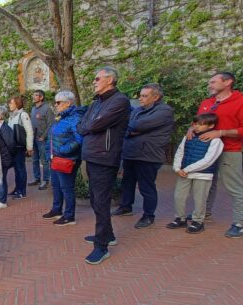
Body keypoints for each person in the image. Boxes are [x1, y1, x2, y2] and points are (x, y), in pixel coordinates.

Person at [194, 72, 243, 238]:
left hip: (229, 151)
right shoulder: (206, 103)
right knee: (206, 183)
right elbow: (198, 123)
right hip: (205, 150)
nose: (209, 85)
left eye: (213, 82)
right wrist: (191, 128)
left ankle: (239, 223)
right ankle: (204, 214)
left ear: (228, 82)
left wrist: (221, 132)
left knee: (235, 187)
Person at [77, 66, 131, 265]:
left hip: (105, 157)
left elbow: (92, 125)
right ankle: (108, 235)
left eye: (97, 78)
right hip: (92, 155)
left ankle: (101, 247)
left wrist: (88, 125)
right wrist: (87, 125)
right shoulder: (97, 102)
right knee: (95, 199)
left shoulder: (120, 101)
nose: (94, 81)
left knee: (100, 201)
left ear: (110, 80)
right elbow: (83, 124)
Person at [113, 83, 175, 229]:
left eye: (144, 96)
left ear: (156, 97)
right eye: (140, 95)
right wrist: (133, 130)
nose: (140, 98)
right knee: (127, 182)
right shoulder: (138, 110)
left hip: (148, 155)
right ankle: (126, 206)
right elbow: (127, 127)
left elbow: (137, 126)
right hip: (131, 153)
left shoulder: (164, 111)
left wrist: (135, 129)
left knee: (146, 187)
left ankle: (148, 215)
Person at [167, 113, 223, 234]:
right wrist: (177, 168)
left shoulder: (216, 141)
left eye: (201, 125)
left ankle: (198, 221)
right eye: (195, 124)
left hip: (202, 174)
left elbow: (208, 160)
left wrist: (187, 169)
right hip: (184, 173)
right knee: (179, 196)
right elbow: (180, 152)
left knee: (200, 199)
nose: (196, 126)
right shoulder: (189, 136)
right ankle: (180, 218)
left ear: (211, 126)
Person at [43, 91, 85, 226]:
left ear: (68, 103)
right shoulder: (61, 117)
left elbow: (80, 139)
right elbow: (53, 136)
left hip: (66, 159)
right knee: (56, 185)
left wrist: (62, 151)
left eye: (58, 102)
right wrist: (49, 152)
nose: (56, 105)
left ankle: (69, 216)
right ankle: (56, 210)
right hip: (55, 158)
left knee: (67, 188)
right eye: (55, 102)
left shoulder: (75, 117)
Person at [7, 96, 33, 200]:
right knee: (17, 170)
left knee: (21, 169)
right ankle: (17, 189)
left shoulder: (23, 115)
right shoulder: (11, 116)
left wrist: (29, 147)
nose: (9, 104)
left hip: (20, 147)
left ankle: (22, 192)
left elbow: (29, 131)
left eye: (11, 103)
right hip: (13, 147)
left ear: (17, 104)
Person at [29, 89, 54, 190]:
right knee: (34, 160)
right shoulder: (33, 109)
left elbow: (51, 124)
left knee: (44, 161)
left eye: (36, 95)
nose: (33, 97)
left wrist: (43, 136)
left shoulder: (47, 109)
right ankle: (37, 178)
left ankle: (46, 180)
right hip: (33, 139)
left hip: (42, 140)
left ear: (41, 97)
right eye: (33, 95)